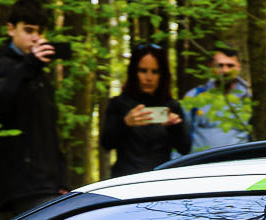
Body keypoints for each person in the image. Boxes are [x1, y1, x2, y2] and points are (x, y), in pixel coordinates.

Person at [0, 0, 69, 220]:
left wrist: (60, 181)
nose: (35, 38)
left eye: (39, 32)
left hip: (47, 184)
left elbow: (48, 131)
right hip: (22, 186)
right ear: (11, 29)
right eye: (28, 30)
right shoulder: (3, 65)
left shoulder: (38, 74)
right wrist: (30, 65)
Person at [99, 43, 189, 177]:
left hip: (160, 178)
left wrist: (175, 126)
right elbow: (106, 143)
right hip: (125, 179)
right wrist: (125, 123)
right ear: (134, 73)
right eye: (143, 71)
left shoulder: (171, 106)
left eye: (155, 71)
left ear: (163, 75)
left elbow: (185, 148)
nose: (149, 78)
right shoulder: (119, 103)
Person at [179, 46, 252, 155]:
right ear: (211, 67)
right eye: (220, 65)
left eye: (230, 65)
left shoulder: (249, 97)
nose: (225, 70)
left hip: (239, 163)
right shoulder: (194, 96)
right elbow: (181, 137)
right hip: (202, 163)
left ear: (238, 67)